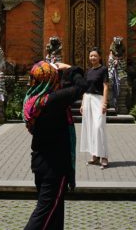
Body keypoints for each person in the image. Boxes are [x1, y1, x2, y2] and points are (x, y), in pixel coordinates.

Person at [23, 61, 86, 230]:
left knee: (54, 213)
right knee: (44, 213)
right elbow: (82, 86)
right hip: (55, 167)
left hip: (40, 162)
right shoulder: (53, 101)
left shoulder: (33, 100)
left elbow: (64, 90)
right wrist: (70, 68)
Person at [80, 47, 109, 168]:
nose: (92, 58)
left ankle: (104, 156)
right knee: (90, 128)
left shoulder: (103, 70)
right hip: (87, 99)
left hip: (98, 100)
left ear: (99, 57)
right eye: (91, 56)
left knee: (98, 127)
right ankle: (94, 156)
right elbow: (84, 88)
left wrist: (104, 103)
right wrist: (82, 103)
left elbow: (106, 86)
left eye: (95, 56)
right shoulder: (88, 71)